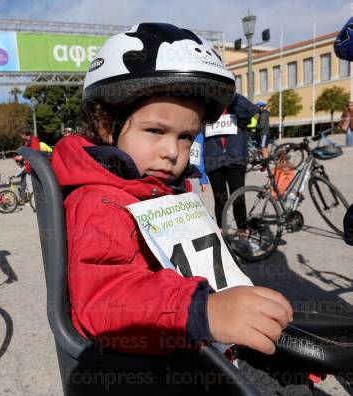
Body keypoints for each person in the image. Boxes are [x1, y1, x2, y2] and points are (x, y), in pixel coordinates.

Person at [51, 23, 296, 391]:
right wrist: (201, 310)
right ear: (107, 126)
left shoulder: (151, 190)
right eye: (155, 131)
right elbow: (103, 298)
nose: (172, 151)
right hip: (157, 373)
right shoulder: (100, 200)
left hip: (193, 351)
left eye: (185, 137)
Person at [204, 94, 258, 231]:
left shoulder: (237, 106)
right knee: (220, 199)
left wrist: (231, 95)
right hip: (214, 160)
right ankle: (222, 231)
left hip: (235, 159)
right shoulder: (207, 107)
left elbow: (251, 111)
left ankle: (242, 231)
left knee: (238, 198)